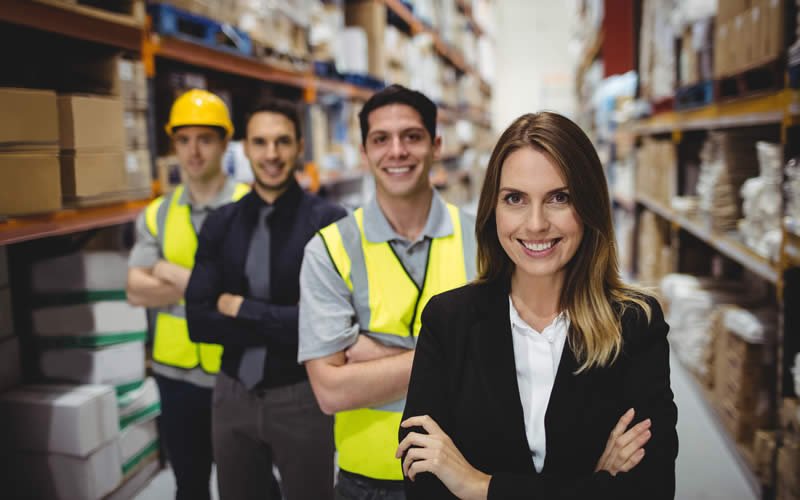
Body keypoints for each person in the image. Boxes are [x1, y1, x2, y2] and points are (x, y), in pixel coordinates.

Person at [396, 112, 679, 499]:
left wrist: (478, 486)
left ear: (589, 205)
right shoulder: (449, 321)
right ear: (492, 208)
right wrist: (592, 483)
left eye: (559, 198)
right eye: (514, 198)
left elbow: (651, 488)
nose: (535, 224)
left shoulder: (634, 323)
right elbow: (424, 485)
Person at [297, 84, 477, 499]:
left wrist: (371, 355)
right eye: (381, 139)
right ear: (364, 151)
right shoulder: (330, 250)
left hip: (467, 475)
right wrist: (453, 355)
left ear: (436, 145)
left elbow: (503, 362)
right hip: (366, 483)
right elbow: (329, 390)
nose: (396, 151)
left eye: (411, 137)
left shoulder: (483, 240)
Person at [184, 98, 345, 500]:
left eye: (282, 142)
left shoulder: (328, 222)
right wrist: (288, 319)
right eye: (260, 142)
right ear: (245, 148)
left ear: (299, 146)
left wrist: (241, 308)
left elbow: (330, 326)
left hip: (303, 396)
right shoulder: (221, 224)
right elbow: (198, 321)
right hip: (232, 394)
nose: (271, 155)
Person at [126, 89, 250, 500]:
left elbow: (254, 291)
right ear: (173, 143)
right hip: (175, 376)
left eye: (206, 138)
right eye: (184, 139)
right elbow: (135, 289)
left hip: (236, 373)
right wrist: (208, 287)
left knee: (248, 484)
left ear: (223, 143)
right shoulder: (158, 212)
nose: (193, 151)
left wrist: (165, 270)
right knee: (189, 484)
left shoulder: (250, 208)